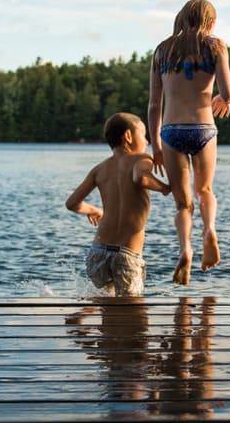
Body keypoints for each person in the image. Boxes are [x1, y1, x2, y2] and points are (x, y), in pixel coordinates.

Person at [147, 0, 230, 286]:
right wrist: (222, 99)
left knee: (183, 204)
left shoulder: (162, 50)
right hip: (203, 128)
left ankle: (185, 248)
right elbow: (228, 92)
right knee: (205, 190)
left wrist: (156, 146)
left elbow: (153, 104)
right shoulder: (216, 46)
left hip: (171, 130)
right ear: (210, 22)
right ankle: (209, 230)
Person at [66, 113, 171, 296]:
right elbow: (141, 178)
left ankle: (87, 312)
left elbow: (72, 203)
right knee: (133, 316)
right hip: (126, 255)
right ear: (128, 137)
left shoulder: (99, 169)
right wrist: (165, 187)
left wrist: (93, 210)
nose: (147, 141)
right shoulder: (141, 159)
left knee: (108, 304)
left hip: (97, 253)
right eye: (143, 135)